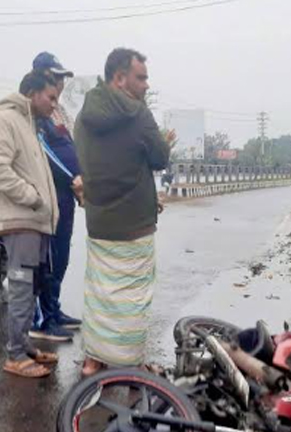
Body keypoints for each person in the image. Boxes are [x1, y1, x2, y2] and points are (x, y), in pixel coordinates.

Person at [75, 48, 174, 376]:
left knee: (99, 294)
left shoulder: (84, 115)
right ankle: (132, 364)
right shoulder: (138, 114)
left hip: (98, 221)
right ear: (120, 78)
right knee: (132, 298)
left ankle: (93, 361)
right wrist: (164, 142)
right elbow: (159, 158)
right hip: (135, 224)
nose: (146, 85)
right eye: (141, 78)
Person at [0, 71, 61, 378]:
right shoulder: (7, 120)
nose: (54, 104)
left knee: (31, 287)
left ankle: (24, 344)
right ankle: (15, 355)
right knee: (21, 286)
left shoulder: (29, 125)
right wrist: (32, 197)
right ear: (32, 92)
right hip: (21, 220)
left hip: (35, 221)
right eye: (51, 97)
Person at [27, 52, 83, 342]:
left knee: (61, 257)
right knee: (46, 260)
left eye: (63, 77)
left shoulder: (58, 110)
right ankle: (41, 320)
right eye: (56, 76)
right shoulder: (35, 109)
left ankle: (54, 310)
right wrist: (72, 178)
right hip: (49, 193)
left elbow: (69, 147)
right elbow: (44, 151)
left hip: (66, 196)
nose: (61, 82)